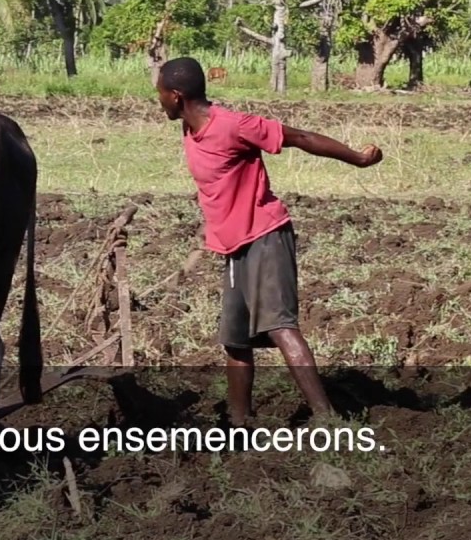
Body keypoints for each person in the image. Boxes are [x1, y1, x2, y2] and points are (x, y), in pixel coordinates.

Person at [154, 57, 383, 427]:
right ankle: (239, 422)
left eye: (160, 93)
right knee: (236, 341)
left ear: (176, 96)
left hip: (265, 235)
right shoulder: (188, 130)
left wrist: (358, 158)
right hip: (233, 246)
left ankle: (329, 422)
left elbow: (301, 138)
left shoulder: (233, 125)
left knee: (280, 326)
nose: (159, 100)